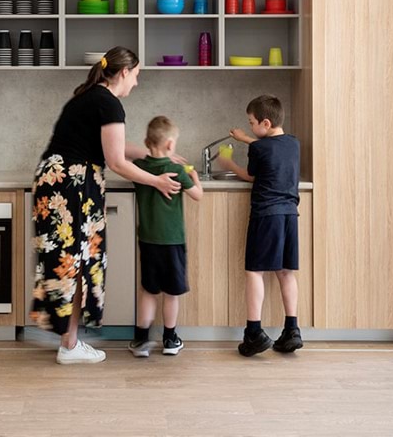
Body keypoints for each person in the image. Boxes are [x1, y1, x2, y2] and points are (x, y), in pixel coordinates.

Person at [30, 46, 183, 365]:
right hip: (71, 189)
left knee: (70, 265)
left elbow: (110, 145)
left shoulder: (91, 96)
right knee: (76, 265)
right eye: (137, 75)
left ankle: (69, 344)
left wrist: (151, 155)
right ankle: (69, 346)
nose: (137, 83)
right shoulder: (109, 103)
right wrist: (157, 180)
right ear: (124, 72)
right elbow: (115, 160)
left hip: (60, 183)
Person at [216, 94, 303, 356]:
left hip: (266, 215)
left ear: (265, 123)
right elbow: (272, 149)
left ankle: (254, 332)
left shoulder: (258, 149)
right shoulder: (293, 144)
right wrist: (246, 139)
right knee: (286, 272)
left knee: (255, 271)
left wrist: (228, 163)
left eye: (252, 122)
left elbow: (250, 175)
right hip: (290, 215)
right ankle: (292, 330)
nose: (250, 126)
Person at [128, 116, 203, 357]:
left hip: (148, 241)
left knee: (148, 290)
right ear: (171, 145)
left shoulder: (139, 167)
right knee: (172, 292)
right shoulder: (177, 170)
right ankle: (170, 339)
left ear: (146, 141)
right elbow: (197, 196)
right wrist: (195, 179)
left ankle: (141, 341)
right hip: (173, 241)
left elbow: (123, 157)